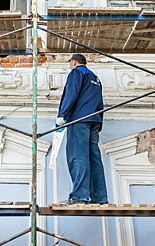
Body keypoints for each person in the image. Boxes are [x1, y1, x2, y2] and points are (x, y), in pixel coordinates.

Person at [56, 53, 108, 204]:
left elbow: (71, 94)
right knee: (94, 159)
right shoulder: (95, 78)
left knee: (77, 156)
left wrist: (62, 114)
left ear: (73, 62)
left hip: (79, 120)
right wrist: (99, 122)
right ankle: (100, 198)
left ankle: (80, 196)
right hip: (94, 121)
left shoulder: (76, 73)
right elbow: (100, 102)